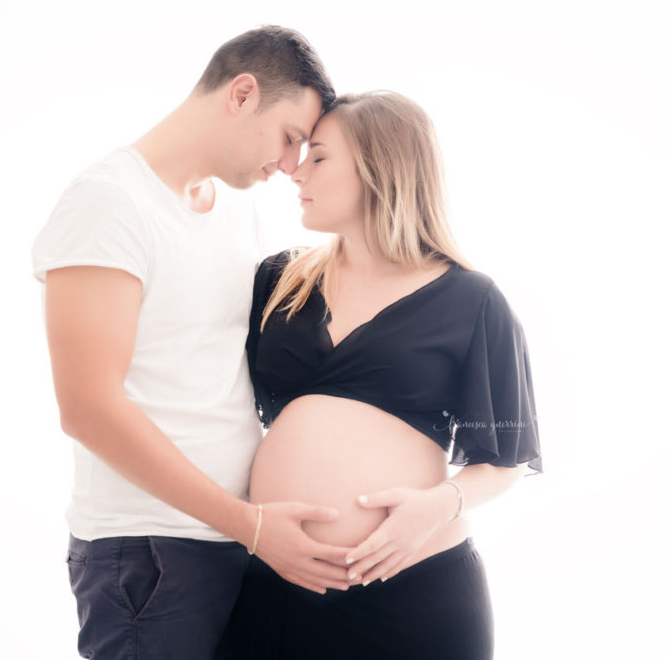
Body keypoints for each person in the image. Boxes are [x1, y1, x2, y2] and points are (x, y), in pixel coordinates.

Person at [30, 26, 359, 659]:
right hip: (150, 555)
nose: (291, 165)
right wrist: (253, 527)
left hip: (233, 544)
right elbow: (87, 408)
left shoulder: (237, 209)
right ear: (242, 95)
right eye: (291, 138)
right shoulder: (109, 204)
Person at [214, 91, 543, 659]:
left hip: (413, 595)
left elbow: (507, 457)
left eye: (318, 157)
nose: (295, 171)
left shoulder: (471, 301)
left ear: (379, 166)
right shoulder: (279, 281)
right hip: (274, 583)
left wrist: (437, 505)